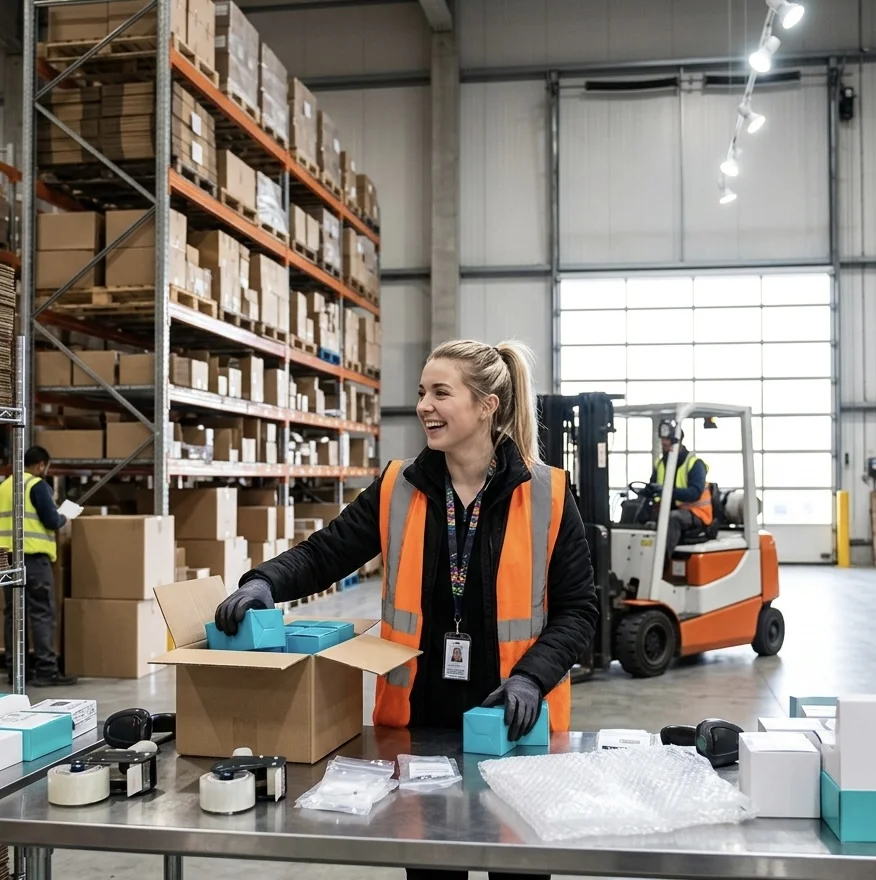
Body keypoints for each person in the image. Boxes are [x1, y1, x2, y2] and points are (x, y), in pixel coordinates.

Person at [216, 339, 598, 878]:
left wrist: (532, 678)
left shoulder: (546, 494)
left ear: (486, 405)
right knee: (431, 863)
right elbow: (326, 552)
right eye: (421, 392)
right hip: (420, 725)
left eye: (441, 393)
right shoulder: (400, 486)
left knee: (518, 864)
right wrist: (264, 583)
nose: (423, 406)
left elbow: (579, 609)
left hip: (515, 720)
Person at [0, 446, 77, 687]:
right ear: (41, 465)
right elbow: (51, 520)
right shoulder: (36, 486)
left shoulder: (4, 486)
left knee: (13, 615)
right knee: (41, 612)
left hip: (6, 559)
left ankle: (16, 670)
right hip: (32, 559)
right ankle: (46, 670)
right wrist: (66, 515)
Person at [646, 423, 713, 561]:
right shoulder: (661, 463)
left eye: (668, 439)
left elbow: (694, 493)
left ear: (679, 441)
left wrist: (667, 491)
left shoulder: (695, 464)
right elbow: (652, 487)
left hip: (696, 513)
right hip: (668, 509)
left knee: (673, 518)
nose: (664, 442)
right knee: (634, 511)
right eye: (663, 439)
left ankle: (661, 563)